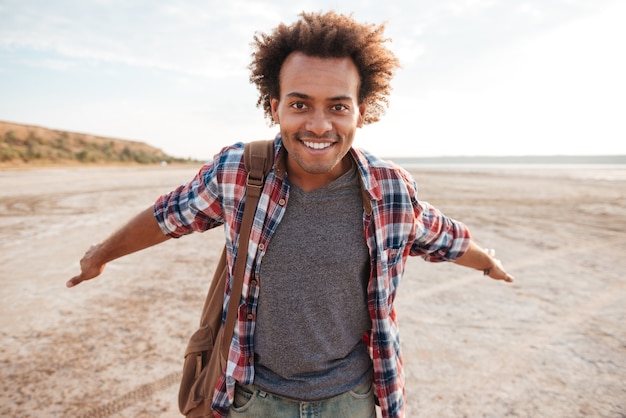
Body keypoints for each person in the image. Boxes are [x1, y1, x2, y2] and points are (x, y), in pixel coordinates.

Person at [67, 10, 514, 418]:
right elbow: (169, 216)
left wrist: (487, 262)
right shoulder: (240, 172)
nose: (319, 125)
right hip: (250, 397)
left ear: (361, 110)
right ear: (274, 106)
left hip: (351, 400)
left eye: (338, 106)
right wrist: (101, 254)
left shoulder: (389, 189)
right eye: (300, 104)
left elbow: (442, 235)